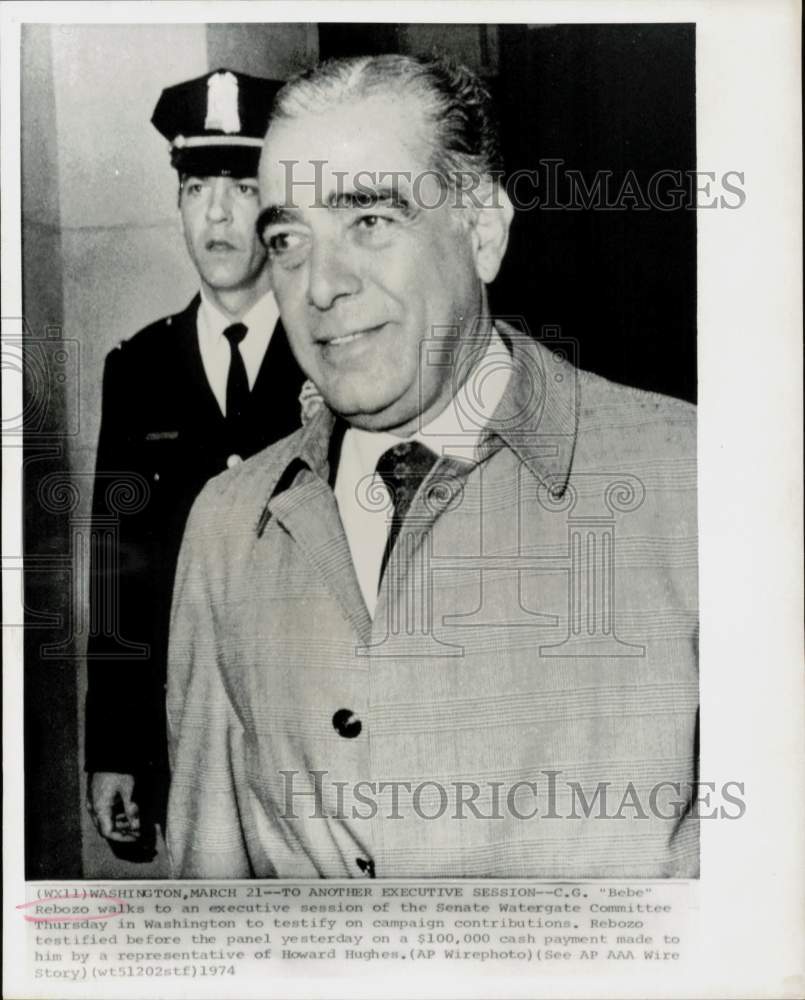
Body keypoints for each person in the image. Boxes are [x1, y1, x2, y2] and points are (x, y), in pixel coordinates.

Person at [166, 54, 699, 879]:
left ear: (481, 230)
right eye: (286, 239)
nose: (320, 285)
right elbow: (207, 887)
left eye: (369, 220)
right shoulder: (229, 523)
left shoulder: (694, 482)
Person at [85, 68, 306, 858]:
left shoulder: (331, 351)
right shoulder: (139, 367)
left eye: (240, 187)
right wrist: (114, 748)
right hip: (190, 727)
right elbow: (120, 569)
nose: (214, 213)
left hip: (314, 726)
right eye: (193, 187)